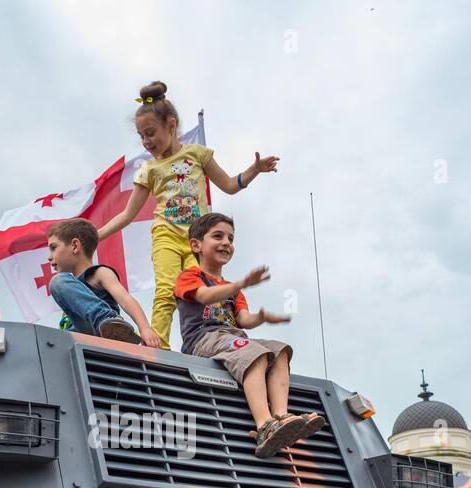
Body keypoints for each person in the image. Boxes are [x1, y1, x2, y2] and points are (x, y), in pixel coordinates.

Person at [97, 81, 279, 349]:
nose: (146, 142)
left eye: (151, 133)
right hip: (166, 235)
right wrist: (96, 235)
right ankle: (157, 348)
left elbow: (228, 185)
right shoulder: (149, 169)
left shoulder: (198, 155)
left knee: (197, 294)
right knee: (166, 291)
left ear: (171, 126)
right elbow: (127, 214)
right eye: (141, 136)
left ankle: (200, 342)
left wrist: (254, 170)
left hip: (197, 240)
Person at [174, 212, 324, 458]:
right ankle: (264, 425)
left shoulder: (235, 291)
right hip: (204, 338)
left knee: (279, 349)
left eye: (231, 238)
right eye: (218, 236)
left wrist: (260, 317)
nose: (226, 243)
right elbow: (203, 296)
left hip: (232, 338)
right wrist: (240, 284)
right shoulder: (190, 276)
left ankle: (281, 417)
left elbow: (243, 320)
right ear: (196, 245)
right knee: (254, 351)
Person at [45, 218, 162, 347]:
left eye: (53, 248)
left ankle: (107, 321)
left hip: (100, 332)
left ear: (75, 246)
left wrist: (145, 328)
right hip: (80, 341)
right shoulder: (71, 290)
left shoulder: (99, 273)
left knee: (58, 281)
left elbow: (125, 298)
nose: (49, 257)